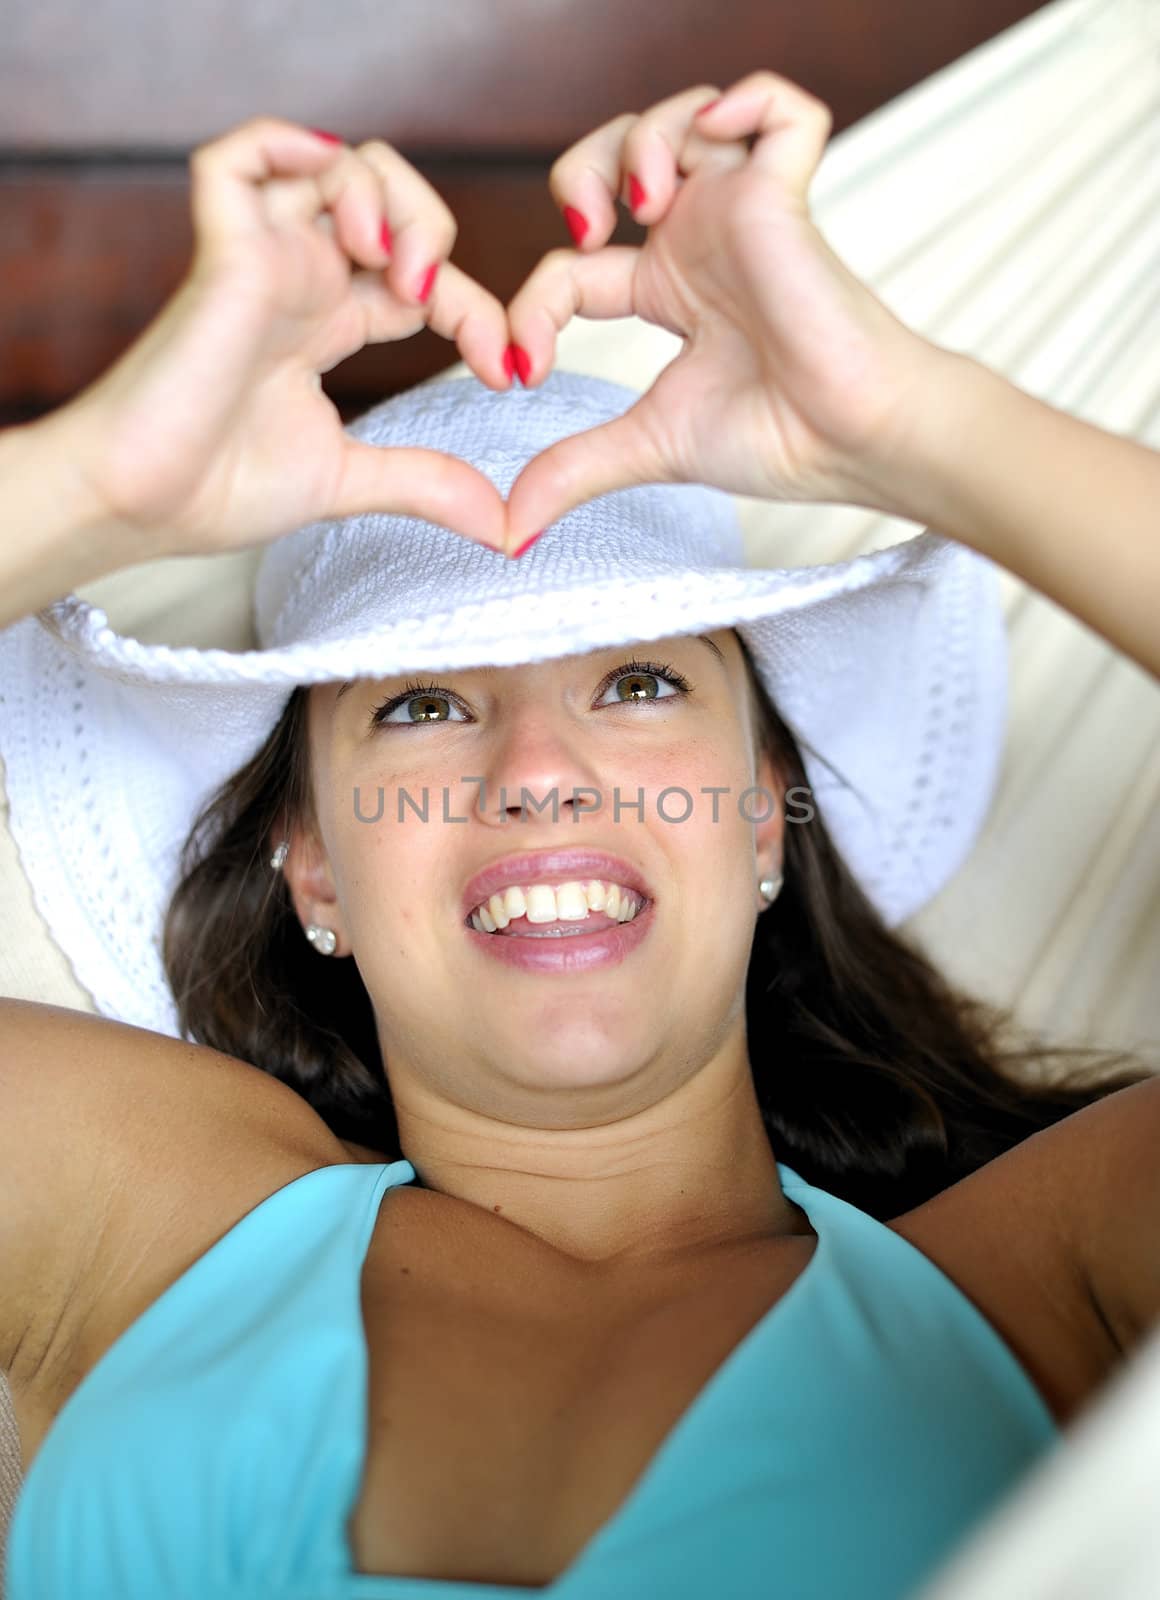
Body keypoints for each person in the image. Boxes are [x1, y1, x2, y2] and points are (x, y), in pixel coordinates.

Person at [0, 70, 1156, 1600]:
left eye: (638, 681)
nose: (540, 772)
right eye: (420, 705)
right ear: (314, 866)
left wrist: (902, 419)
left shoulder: (1056, 1290)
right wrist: (103, 479)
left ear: (760, 817)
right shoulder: (127, 1215)